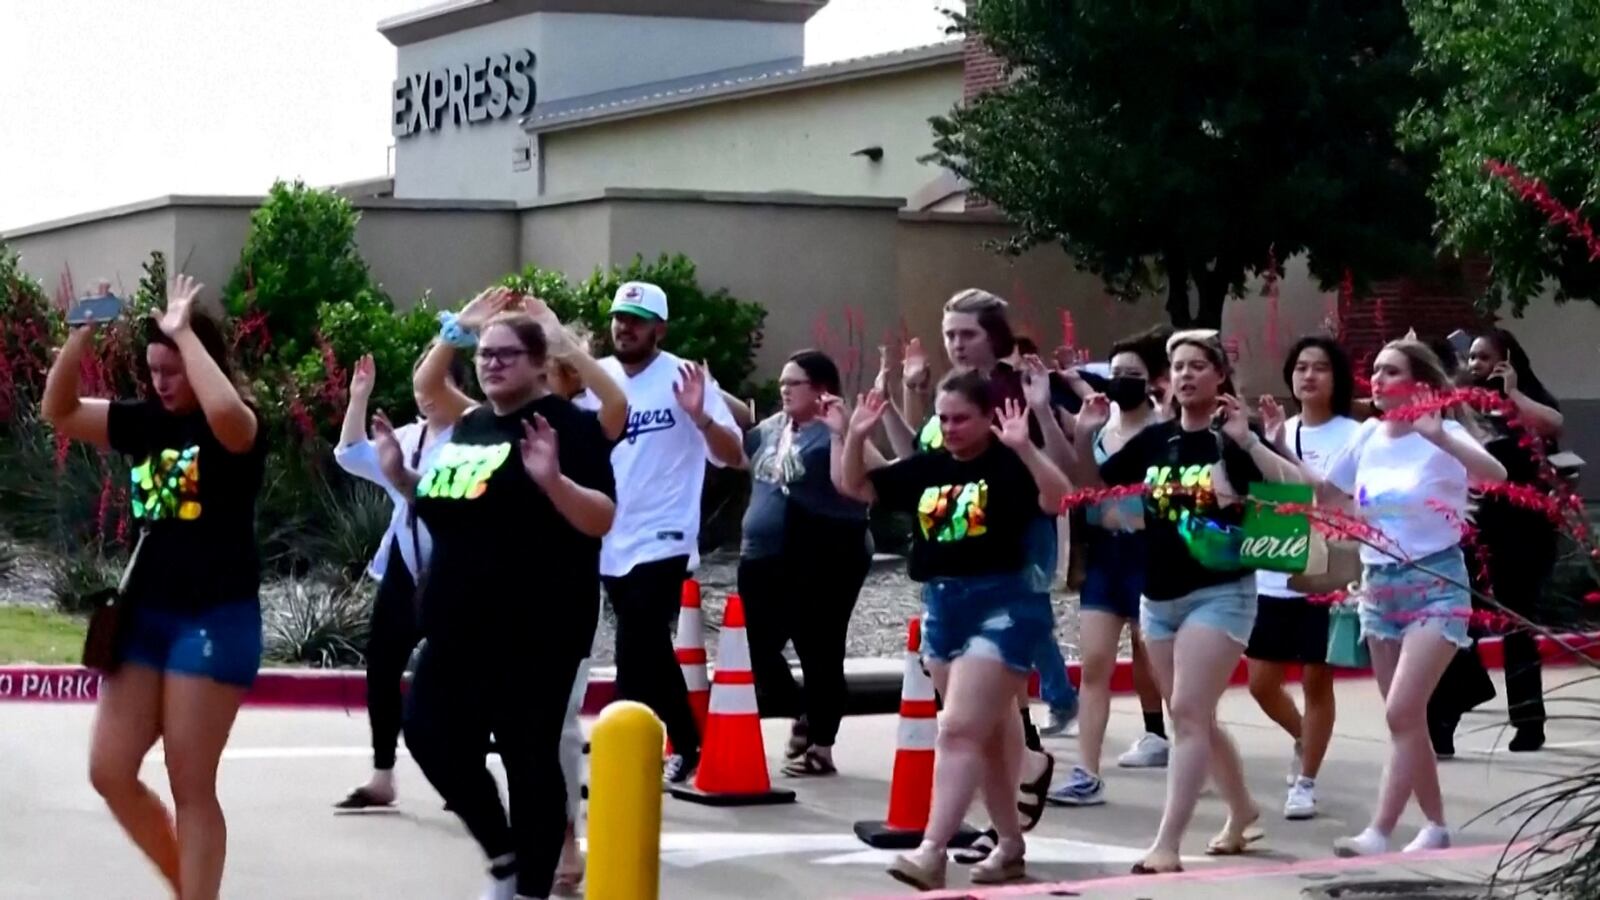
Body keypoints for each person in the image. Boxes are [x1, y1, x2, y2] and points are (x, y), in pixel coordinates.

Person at [391, 287, 620, 900]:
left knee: (529, 759)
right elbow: (446, 489)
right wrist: (457, 329)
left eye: (506, 355)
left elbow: (601, 516)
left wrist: (553, 482)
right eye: (485, 355)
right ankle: (505, 854)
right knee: (428, 734)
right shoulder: (471, 424)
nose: (490, 364)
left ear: (540, 362)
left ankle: (531, 887)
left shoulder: (567, 425)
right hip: (456, 625)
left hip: (536, 629)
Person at [44, 275, 265, 900]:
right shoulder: (145, 423)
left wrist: (182, 332)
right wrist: (81, 336)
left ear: (202, 362)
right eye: (154, 370)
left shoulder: (239, 428)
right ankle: (192, 889)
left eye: (173, 369)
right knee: (109, 769)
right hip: (146, 619)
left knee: (189, 782)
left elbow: (229, 419)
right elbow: (57, 411)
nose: (163, 382)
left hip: (214, 619)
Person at [1074, 329, 1307, 875]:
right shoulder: (1157, 441)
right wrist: (1082, 434)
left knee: (1184, 712)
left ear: (1219, 376)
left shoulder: (1232, 436)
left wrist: (1250, 442)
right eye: (1177, 366)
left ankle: (1167, 843)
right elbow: (1093, 485)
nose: (1185, 375)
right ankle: (1244, 810)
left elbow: (1298, 490)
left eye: (1197, 365)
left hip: (1221, 591)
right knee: (1193, 714)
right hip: (1158, 595)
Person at [837, 373, 1074, 889]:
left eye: (961, 418)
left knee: (958, 729)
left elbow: (1059, 499)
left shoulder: (1009, 463)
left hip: (1006, 603)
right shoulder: (930, 468)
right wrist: (855, 436)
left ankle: (932, 850)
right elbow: (854, 486)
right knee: (985, 737)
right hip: (944, 606)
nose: (950, 428)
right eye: (943, 418)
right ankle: (1009, 845)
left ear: (990, 417)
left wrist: (1026, 447)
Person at [879, 290, 1073, 834]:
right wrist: (908, 396)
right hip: (952, 549)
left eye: (967, 333)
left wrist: (1040, 411)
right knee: (982, 693)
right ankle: (1020, 783)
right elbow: (919, 461)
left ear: (995, 335)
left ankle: (1015, 780)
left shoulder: (1015, 393)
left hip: (1016, 544)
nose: (956, 344)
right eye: (949, 335)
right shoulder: (953, 399)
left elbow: (1062, 476)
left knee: (996, 671)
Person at [1321, 339, 1508, 857]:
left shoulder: (1442, 433)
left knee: (1401, 712)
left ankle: (1378, 831)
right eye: (1374, 370)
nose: (1376, 380)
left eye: (1390, 371)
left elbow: (1497, 476)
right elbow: (1325, 494)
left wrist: (1441, 439)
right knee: (1408, 720)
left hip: (1436, 584)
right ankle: (1435, 824)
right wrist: (1264, 445)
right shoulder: (1366, 436)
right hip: (1379, 586)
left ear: (1419, 381)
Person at [577, 281, 746, 784]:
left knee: (639, 638)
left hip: (666, 531)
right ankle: (684, 741)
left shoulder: (685, 377)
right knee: (645, 645)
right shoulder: (598, 379)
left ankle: (625, 748)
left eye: (636, 319)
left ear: (659, 329)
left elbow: (733, 455)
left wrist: (699, 417)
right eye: (618, 318)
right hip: (612, 531)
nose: (624, 327)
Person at [1047, 331, 1174, 808]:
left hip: (1151, 554)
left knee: (1161, 667)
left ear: (1152, 382)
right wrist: (1081, 433)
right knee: (1096, 663)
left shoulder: (1164, 431)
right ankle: (1087, 772)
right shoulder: (1100, 429)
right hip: (1104, 555)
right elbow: (1082, 487)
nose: (1121, 383)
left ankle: (1185, 751)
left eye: (1132, 376)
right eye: (1115, 374)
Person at [331, 350, 459, 811]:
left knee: (458, 680)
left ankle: (463, 772)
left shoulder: (476, 439)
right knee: (381, 668)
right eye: (419, 390)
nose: (424, 399)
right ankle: (382, 776)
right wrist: (358, 398)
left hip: (457, 574)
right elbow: (350, 455)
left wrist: (403, 475)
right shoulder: (407, 436)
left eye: (434, 389)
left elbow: (448, 494)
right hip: (407, 568)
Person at [739, 350, 872, 776]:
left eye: (792, 383)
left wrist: (844, 432)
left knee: (820, 644)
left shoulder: (837, 430)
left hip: (828, 548)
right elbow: (733, 446)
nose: (783, 390)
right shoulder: (772, 430)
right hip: (765, 553)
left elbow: (856, 484)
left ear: (820, 390)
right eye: (782, 383)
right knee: (754, 644)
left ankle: (822, 744)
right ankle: (801, 709)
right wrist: (707, 402)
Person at [1248, 337, 1362, 821]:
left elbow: (1333, 499)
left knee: (1317, 677)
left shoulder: (1357, 435)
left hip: (1328, 568)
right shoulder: (1279, 428)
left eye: (1319, 368)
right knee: (1260, 682)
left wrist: (1276, 450)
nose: (1308, 376)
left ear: (1337, 378)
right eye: (1300, 367)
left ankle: (1307, 780)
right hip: (1276, 562)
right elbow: (1268, 498)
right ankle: (1303, 736)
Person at [1463, 329, 1563, 752]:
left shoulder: (1529, 401)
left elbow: (1553, 424)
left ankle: (1528, 722)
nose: (1474, 365)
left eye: (1483, 357)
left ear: (1506, 360)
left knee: (1516, 626)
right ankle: (1468, 688)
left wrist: (1513, 393)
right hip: (1478, 529)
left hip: (1526, 532)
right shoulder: (1465, 407)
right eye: (1470, 357)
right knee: (1458, 619)